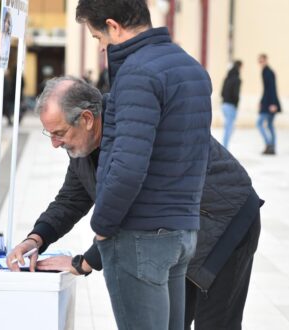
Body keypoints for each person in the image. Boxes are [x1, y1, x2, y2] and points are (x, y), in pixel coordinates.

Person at [7, 76, 262, 330]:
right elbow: (71, 198)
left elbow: (130, 208)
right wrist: (36, 239)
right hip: (182, 231)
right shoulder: (83, 147)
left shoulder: (133, 131)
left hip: (225, 216)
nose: (54, 144)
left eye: (59, 133)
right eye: (49, 134)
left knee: (215, 325)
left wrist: (83, 263)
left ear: (86, 119)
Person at [81, 1, 212, 328]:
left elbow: (127, 166)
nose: (100, 48)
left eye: (98, 37)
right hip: (181, 231)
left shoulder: (138, 72)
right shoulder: (191, 67)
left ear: (113, 26)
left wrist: (102, 226)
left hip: (141, 235)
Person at [257, 54, 281, 155]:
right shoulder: (264, 71)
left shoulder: (269, 72)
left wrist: (272, 104)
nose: (260, 63)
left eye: (262, 61)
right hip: (267, 102)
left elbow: (272, 89)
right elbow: (266, 89)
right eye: (259, 61)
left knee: (259, 123)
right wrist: (261, 101)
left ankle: (269, 145)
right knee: (270, 125)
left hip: (270, 103)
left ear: (266, 60)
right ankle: (271, 147)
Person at [221, 60, 242, 149]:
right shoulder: (237, 79)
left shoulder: (226, 78)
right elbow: (236, 94)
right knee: (229, 128)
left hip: (224, 105)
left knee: (229, 127)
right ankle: (225, 148)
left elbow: (221, 93)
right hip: (231, 106)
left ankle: (225, 146)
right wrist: (236, 104)